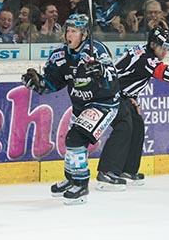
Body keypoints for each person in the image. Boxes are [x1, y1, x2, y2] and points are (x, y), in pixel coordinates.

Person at [96, 26, 169, 190]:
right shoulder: (147, 59)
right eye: (164, 48)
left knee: (137, 125)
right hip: (111, 95)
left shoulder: (142, 51)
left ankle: (127, 170)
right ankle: (107, 172)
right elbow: (166, 73)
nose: (166, 52)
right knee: (124, 127)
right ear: (153, 45)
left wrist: (131, 97)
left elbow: (127, 75)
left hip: (121, 95)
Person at [22, 14, 120, 204]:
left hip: (104, 103)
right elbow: (53, 83)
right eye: (68, 30)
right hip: (80, 106)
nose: (69, 34)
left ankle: (81, 185)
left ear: (84, 34)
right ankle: (71, 179)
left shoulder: (96, 50)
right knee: (73, 142)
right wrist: (38, 83)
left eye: (74, 31)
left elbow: (113, 79)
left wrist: (100, 71)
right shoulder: (60, 55)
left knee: (75, 138)